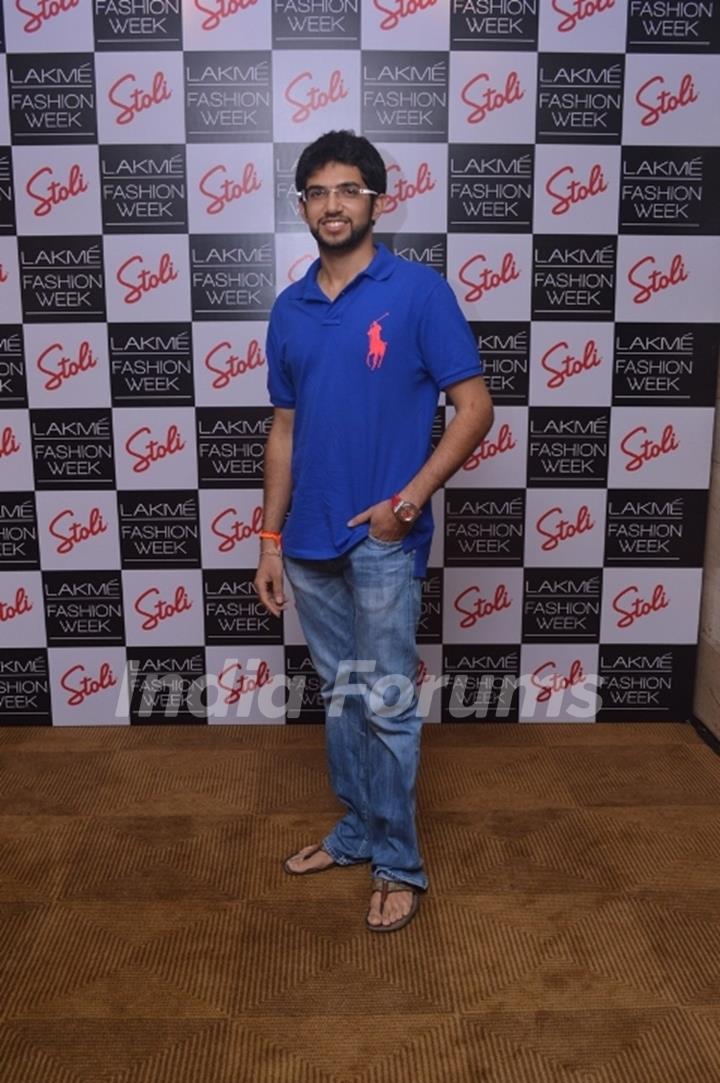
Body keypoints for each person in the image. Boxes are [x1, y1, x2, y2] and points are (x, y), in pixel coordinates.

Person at [254, 130, 494, 933]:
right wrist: (269, 538)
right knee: (344, 698)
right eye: (317, 192)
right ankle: (357, 831)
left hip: (383, 538)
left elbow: (475, 408)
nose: (332, 204)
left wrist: (411, 498)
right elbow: (283, 430)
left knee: (387, 703)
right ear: (301, 207)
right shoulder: (289, 308)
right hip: (310, 542)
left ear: (376, 200)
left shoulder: (418, 293)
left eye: (348, 190)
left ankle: (397, 863)